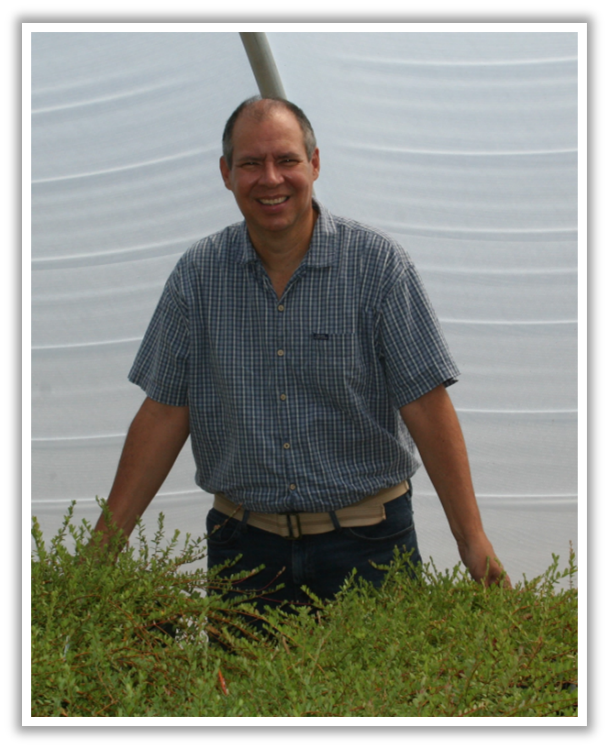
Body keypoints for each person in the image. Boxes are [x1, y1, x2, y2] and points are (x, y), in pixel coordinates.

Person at [93, 96, 510, 610]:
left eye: (286, 159)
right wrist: (101, 551)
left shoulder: (377, 266)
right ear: (226, 173)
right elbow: (163, 412)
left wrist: (472, 541)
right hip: (243, 552)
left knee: (379, 669)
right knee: (239, 670)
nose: (270, 178)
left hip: (369, 546)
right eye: (251, 163)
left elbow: (426, 404)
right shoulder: (198, 277)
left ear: (314, 164)